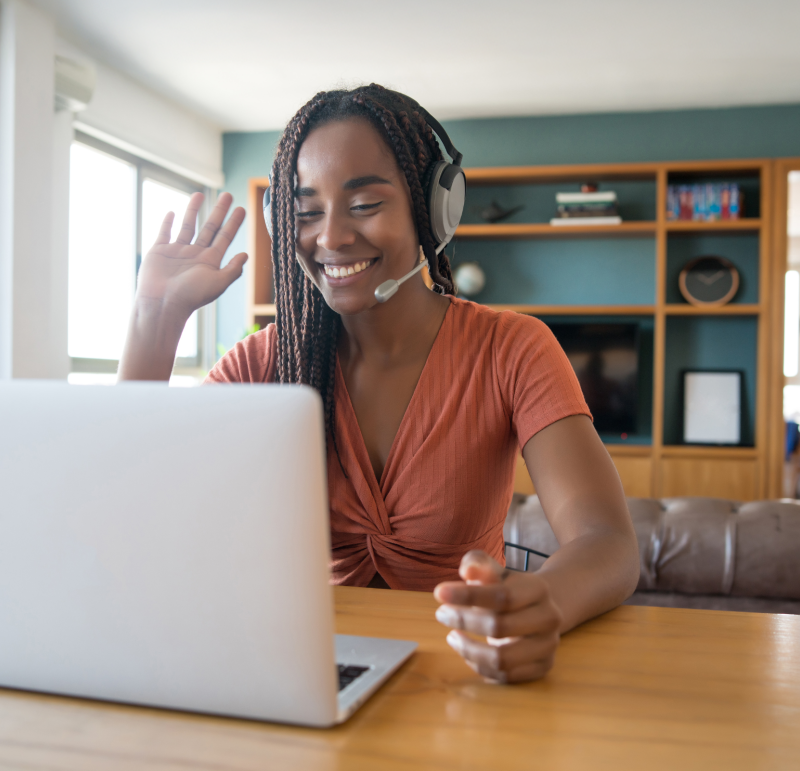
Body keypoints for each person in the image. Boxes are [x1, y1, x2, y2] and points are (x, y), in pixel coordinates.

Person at [119, 84, 639, 684]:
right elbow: (130, 510)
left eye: (364, 204)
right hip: (311, 673)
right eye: (306, 211)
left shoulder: (511, 349)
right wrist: (154, 319)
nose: (331, 237)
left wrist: (544, 603)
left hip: (464, 671)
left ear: (433, 210)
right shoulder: (266, 362)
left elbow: (607, 541)